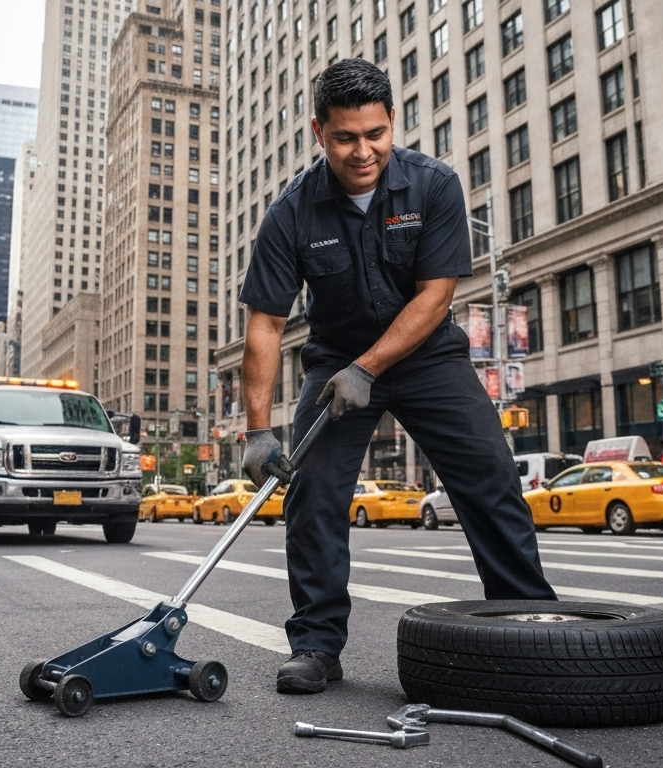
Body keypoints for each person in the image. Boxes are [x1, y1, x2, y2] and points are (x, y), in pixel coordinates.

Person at [238, 59, 558, 696]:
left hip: (427, 355)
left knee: (491, 476)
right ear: (319, 132)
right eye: (345, 138)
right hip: (335, 361)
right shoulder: (291, 212)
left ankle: (525, 619)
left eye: (375, 134)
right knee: (313, 495)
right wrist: (256, 432)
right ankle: (316, 645)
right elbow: (267, 324)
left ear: (392, 121)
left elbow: (436, 296)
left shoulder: (433, 185)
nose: (363, 152)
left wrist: (371, 366)